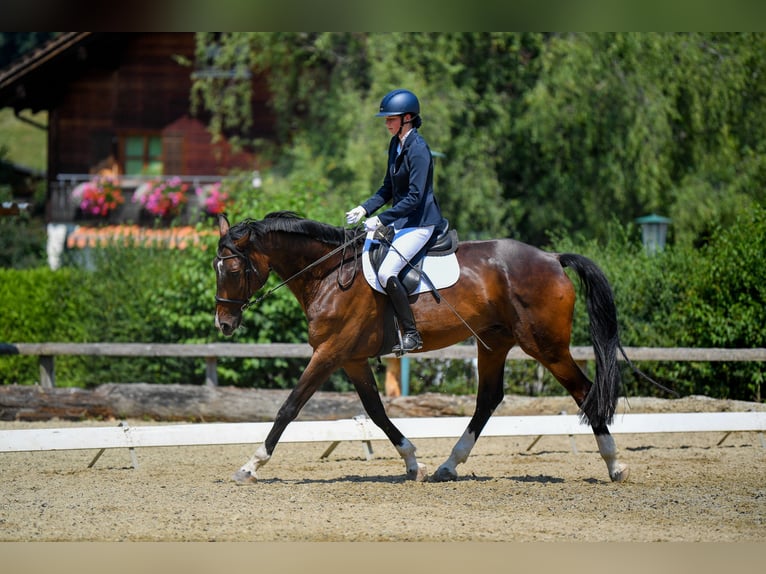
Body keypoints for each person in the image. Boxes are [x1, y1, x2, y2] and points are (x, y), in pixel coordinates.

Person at [346, 88, 447, 354]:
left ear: (408, 118)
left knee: (386, 271)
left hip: (420, 223)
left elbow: (415, 197)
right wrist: (364, 209)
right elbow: (388, 188)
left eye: (391, 118)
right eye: (386, 118)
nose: (387, 123)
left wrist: (382, 218)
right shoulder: (396, 144)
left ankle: (411, 334)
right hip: (402, 222)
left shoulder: (419, 149)